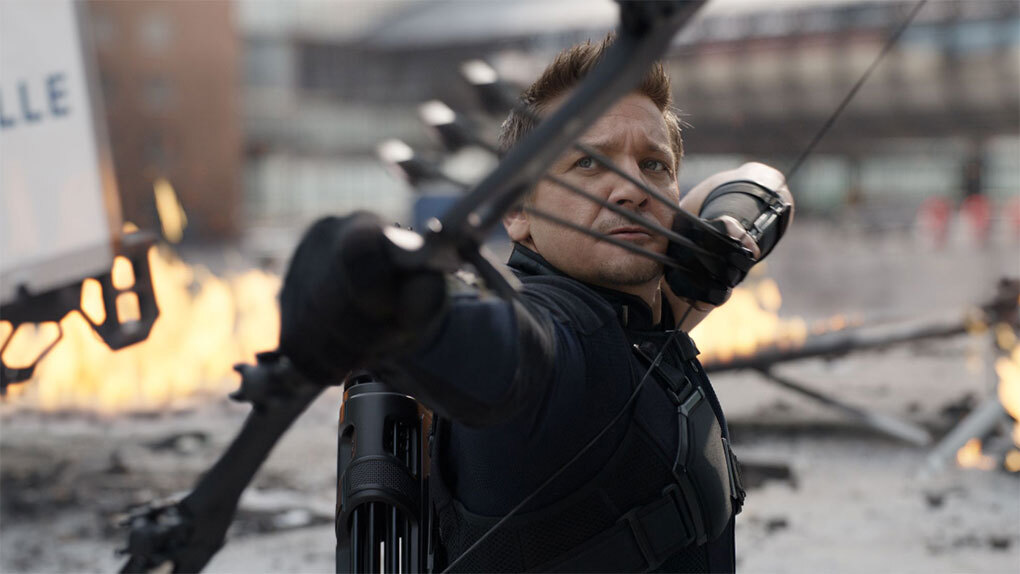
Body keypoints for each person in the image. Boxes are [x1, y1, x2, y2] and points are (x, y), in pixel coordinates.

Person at [278, 37, 793, 573]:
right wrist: (397, 293)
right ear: (518, 213)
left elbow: (767, 183)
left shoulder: (652, 312)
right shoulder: (566, 337)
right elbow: (511, 347)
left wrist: (722, 238)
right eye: (588, 164)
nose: (631, 190)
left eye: (653, 165)